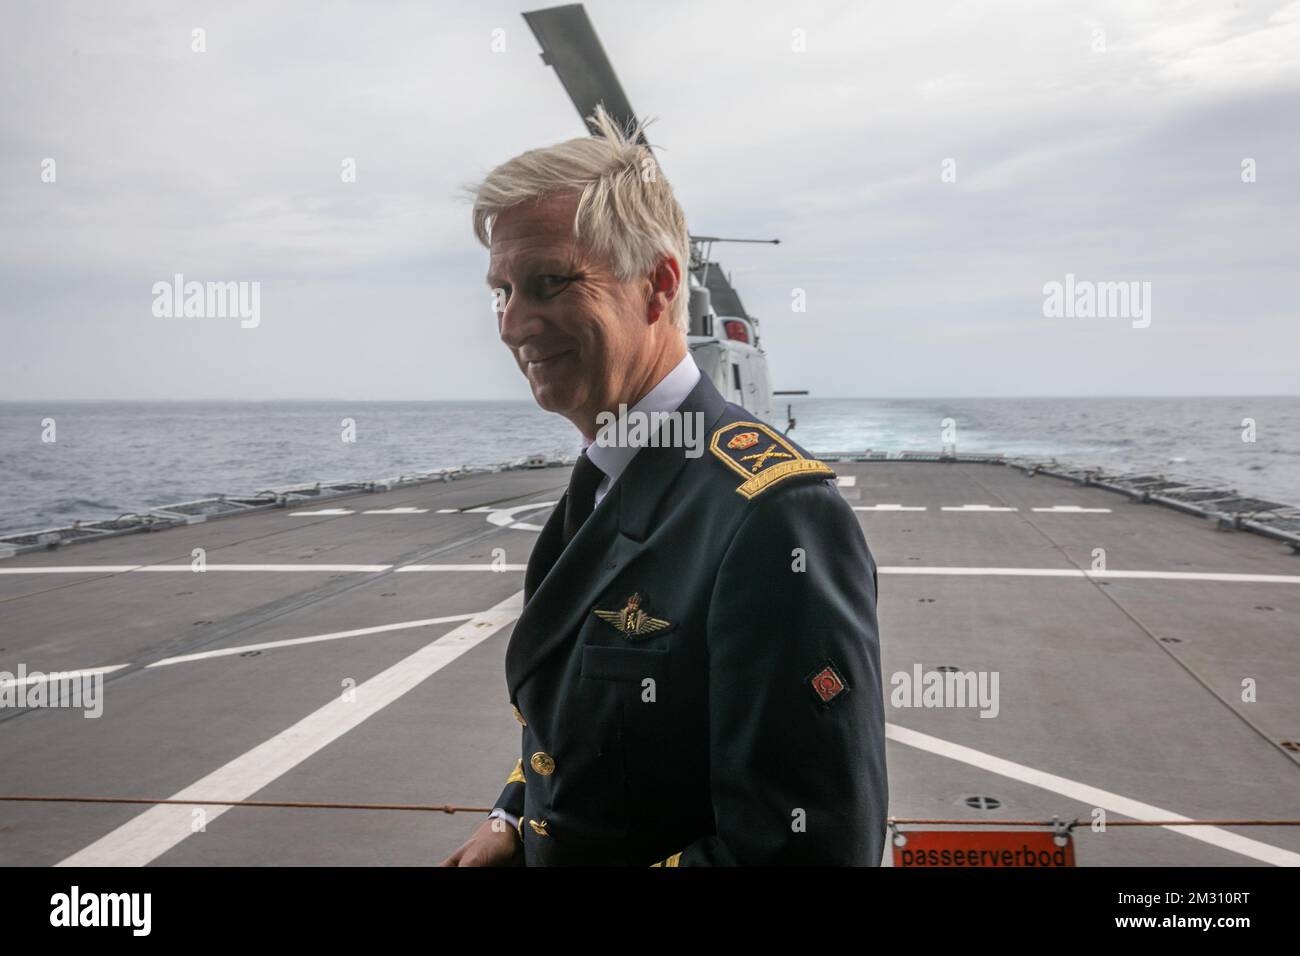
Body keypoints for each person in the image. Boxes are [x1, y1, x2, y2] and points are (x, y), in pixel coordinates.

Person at [439, 106, 887, 866]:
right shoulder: (605, 480)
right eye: (503, 291)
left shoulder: (773, 517)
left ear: (658, 285)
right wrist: (513, 820)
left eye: (548, 283)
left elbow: (809, 852)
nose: (515, 324)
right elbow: (589, 737)